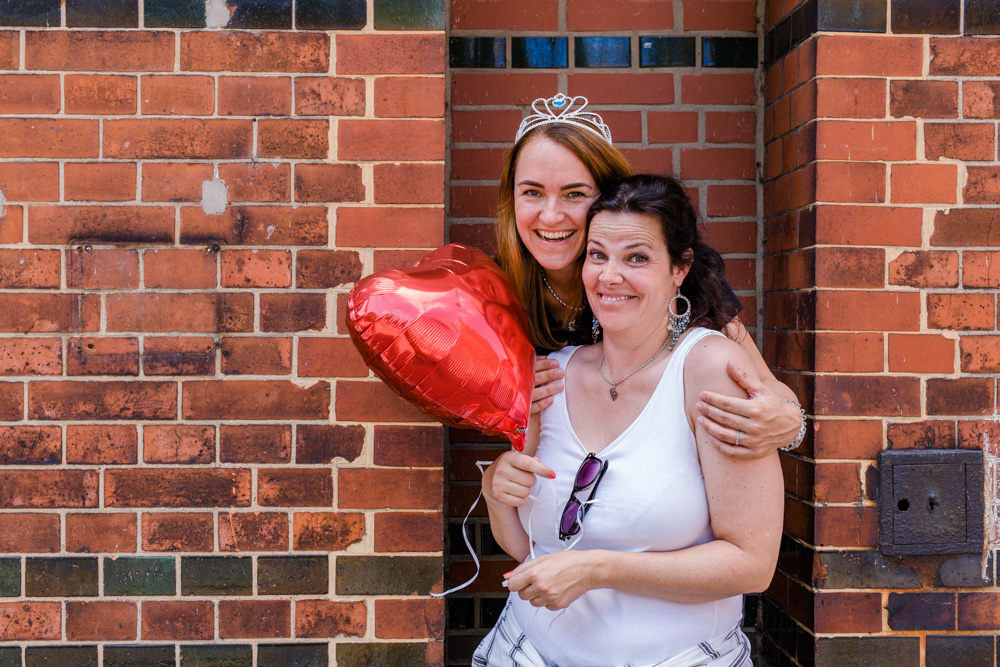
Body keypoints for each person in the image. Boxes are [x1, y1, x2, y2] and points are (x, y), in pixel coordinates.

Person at [475, 174, 784, 667]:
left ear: (679, 269)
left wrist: (597, 569)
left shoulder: (708, 369)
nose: (610, 276)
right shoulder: (551, 374)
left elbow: (752, 565)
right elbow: (526, 550)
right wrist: (496, 492)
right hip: (525, 652)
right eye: (597, 255)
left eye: (636, 258)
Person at [494, 94, 806, 458]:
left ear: (607, 199)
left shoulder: (676, 276)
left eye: (573, 194)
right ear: (511, 199)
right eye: (532, 192)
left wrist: (788, 422)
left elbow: (768, 387)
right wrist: (508, 402)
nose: (550, 216)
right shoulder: (496, 288)